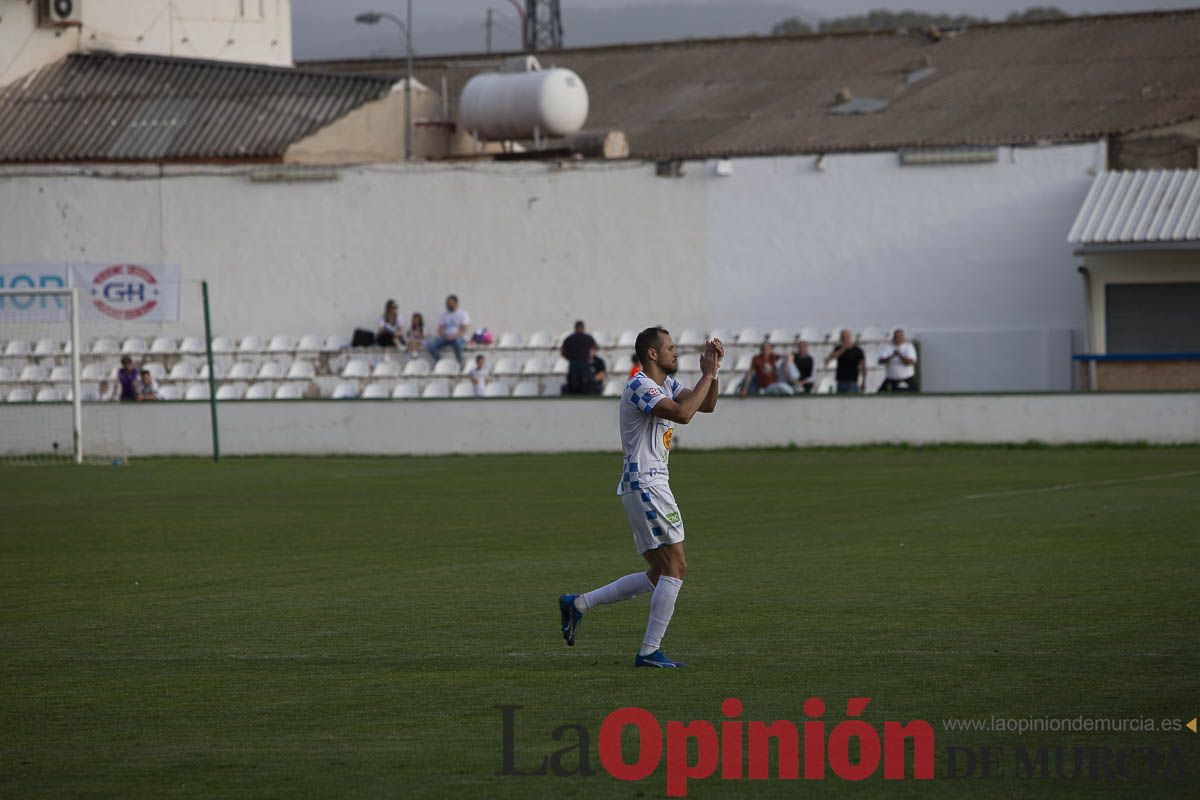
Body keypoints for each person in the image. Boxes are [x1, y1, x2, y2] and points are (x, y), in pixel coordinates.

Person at [558, 327, 724, 668]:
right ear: (652, 354)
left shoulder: (665, 385)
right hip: (647, 484)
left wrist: (714, 371)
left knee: (658, 573)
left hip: (645, 486)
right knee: (676, 568)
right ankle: (649, 652)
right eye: (670, 348)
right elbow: (683, 414)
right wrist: (706, 374)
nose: (676, 353)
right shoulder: (640, 385)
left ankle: (578, 605)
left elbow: (705, 405)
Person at [426, 294, 471, 366]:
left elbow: (464, 330)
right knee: (431, 345)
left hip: (458, 337)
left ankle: (459, 363)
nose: (448, 304)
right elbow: (440, 329)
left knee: (457, 343)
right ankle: (442, 362)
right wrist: (444, 335)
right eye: (447, 303)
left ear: (456, 303)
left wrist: (453, 336)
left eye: (450, 303)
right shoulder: (444, 315)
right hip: (446, 337)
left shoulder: (463, 314)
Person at [561, 320, 598, 395]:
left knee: (574, 385)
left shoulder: (569, 338)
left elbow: (562, 352)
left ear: (575, 328)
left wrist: (569, 358)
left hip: (573, 364)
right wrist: (590, 357)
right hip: (584, 364)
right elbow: (596, 347)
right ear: (583, 328)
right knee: (585, 385)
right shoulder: (588, 337)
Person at [826, 329, 866, 394]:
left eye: (845, 337)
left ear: (849, 337)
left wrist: (863, 381)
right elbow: (831, 357)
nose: (844, 339)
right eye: (842, 337)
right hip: (840, 380)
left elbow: (863, 366)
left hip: (852, 380)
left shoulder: (857, 350)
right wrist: (844, 348)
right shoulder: (838, 348)